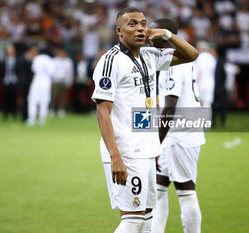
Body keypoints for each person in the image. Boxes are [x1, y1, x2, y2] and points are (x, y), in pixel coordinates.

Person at [91, 7, 199, 233]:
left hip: (146, 150)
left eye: (143, 23)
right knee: (133, 220)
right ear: (119, 31)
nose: (140, 28)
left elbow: (192, 55)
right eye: (132, 24)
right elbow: (103, 112)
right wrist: (115, 157)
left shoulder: (149, 57)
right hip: (126, 151)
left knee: (148, 220)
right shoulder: (110, 61)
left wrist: (167, 35)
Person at [149, 19, 205, 233]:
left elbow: (170, 108)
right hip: (177, 133)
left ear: (165, 35)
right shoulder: (173, 60)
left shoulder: (176, 64)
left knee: (186, 189)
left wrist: (156, 143)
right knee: (158, 187)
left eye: (154, 33)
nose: (150, 39)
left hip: (180, 134)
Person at [27, 48, 54, 126]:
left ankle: (32, 119)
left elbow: (34, 70)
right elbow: (52, 73)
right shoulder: (50, 60)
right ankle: (42, 120)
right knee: (44, 102)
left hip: (37, 81)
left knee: (32, 101)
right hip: (46, 83)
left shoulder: (37, 58)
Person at [50, 47, 74, 118]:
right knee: (54, 96)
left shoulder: (68, 61)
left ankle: (62, 109)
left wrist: (69, 81)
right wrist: (52, 81)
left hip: (64, 81)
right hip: (56, 81)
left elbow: (70, 72)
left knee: (63, 96)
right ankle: (52, 109)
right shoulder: (54, 61)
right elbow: (52, 72)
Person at [17, 45, 38, 122]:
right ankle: (25, 116)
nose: (36, 52)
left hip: (32, 83)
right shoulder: (23, 59)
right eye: (34, 50)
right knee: (25, 100)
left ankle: (30, 116)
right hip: (25, 83)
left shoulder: (34, 59)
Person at [0, 44, 20, 121]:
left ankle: (14, 114)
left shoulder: (17, 60)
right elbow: (0, 71)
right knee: (5, 99)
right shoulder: (3, 61)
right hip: (6, 82)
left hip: (14, 81)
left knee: (14, 99)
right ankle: (5, 114)